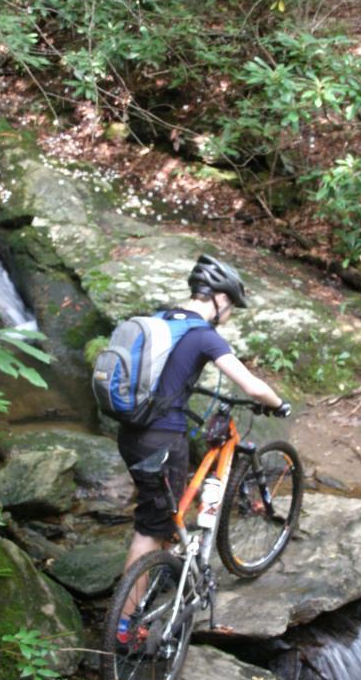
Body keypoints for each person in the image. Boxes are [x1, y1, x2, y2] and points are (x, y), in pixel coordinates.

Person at [115, 254, 290, 641]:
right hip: (163, 436)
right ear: (220, 299)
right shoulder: (202, 334)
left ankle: (163, 565)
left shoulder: (159, 319)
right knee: (152, 526)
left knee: (159, 507)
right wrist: (279, 404)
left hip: (130, 431)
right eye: (232, 306)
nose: (229, 314)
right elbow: (252, 387)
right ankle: (124, 627)